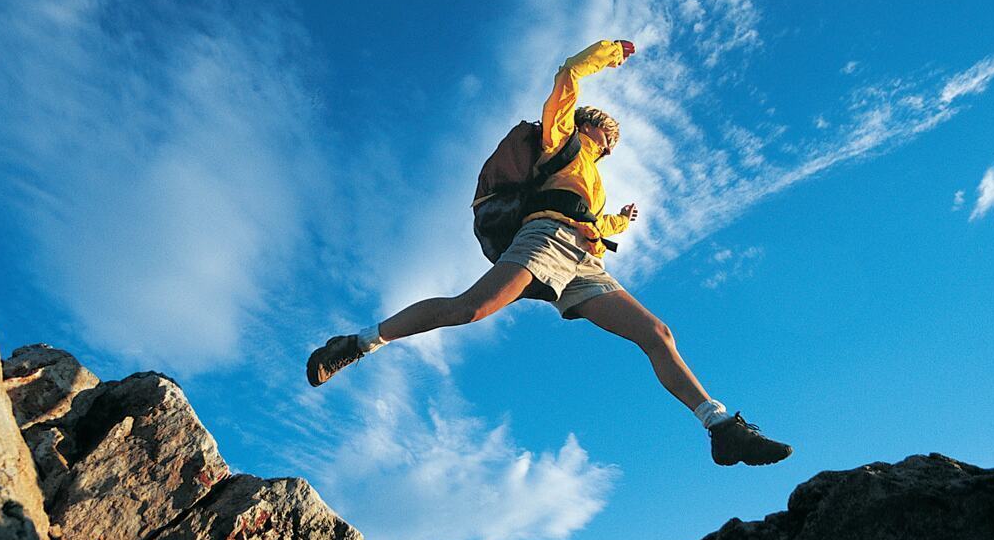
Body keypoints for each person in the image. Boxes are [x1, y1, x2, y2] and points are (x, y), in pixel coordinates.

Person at [307, 39, 792, 467]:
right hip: (544, 238)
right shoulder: (560, 136)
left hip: (584, 259)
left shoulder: (595, 178)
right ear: (590, 126)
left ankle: (721, 428)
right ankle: (356, 343)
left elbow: (593, 221)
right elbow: (567, 76)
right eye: (606, 136)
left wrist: (619, 221)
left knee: (657, 333)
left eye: (611, 144)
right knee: (469, 309)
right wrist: (605, 54)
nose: (609, 144)